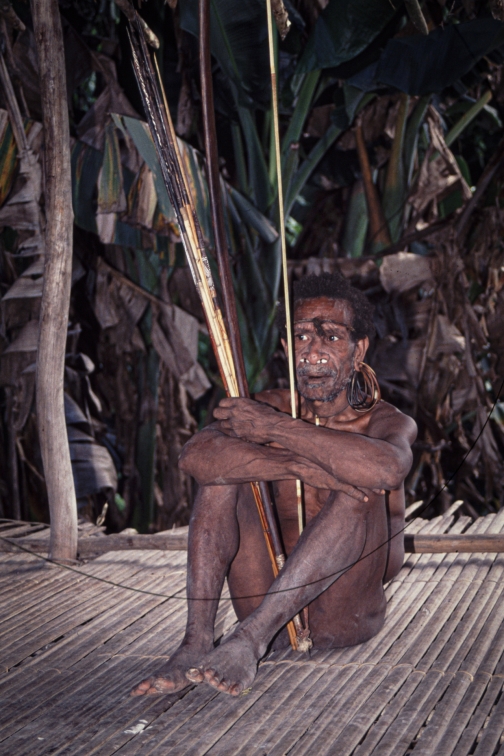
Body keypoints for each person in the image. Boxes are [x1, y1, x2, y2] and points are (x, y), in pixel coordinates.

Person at [132, 272, 417, 698]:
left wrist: (276, 430)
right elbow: (194, 456)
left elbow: (389, 469)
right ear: (286, 348)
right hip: (261, 596)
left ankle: (249, 640)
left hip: (345, 618)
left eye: (332, 339)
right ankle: (195, 643)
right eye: (301, 337)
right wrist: (295, 464)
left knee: (361, 480)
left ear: (359, 351)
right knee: (220, 471)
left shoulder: (384, 421)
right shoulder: (266, 407)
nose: (313, 351)